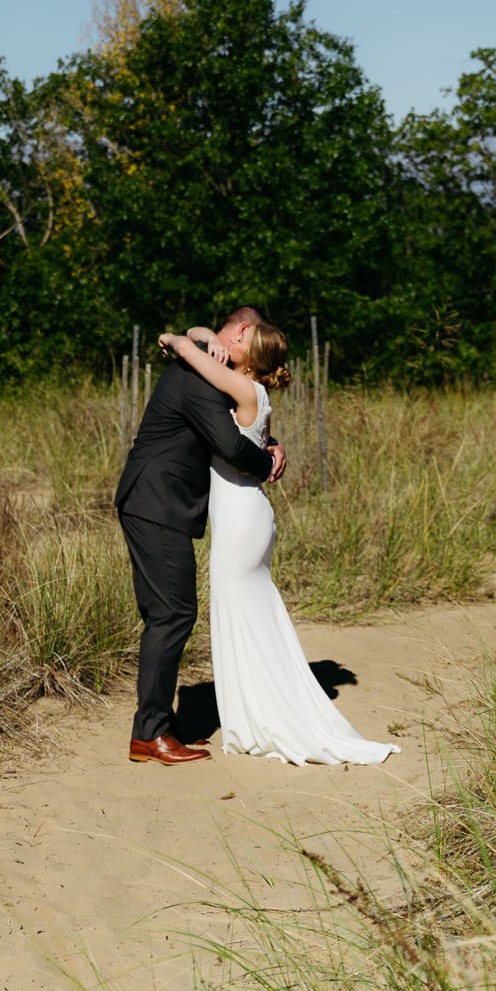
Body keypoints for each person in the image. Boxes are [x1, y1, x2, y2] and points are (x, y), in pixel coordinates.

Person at [159, 320, 399, 767]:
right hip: (243, 518)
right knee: (247, 619)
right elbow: (203, 335)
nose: (232, 340)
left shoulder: (247, 391)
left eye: (240, 340)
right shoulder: (249, 392)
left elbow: (190, 353)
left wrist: (176, 340)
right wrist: (206, 333)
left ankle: (260, 718)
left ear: (250, 358)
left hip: (241, 522)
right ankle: (251, 714)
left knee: (242, 618)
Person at [114, 307, 285, 765]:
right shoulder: (198, 376)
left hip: (157, 502)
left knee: (166, 614)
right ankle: (149, 733)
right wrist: (267, 461)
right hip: (157, 502)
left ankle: (159, 725)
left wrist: (267, 440)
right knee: (172, 614)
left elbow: (237, 424)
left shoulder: (208, 365)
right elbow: (228, 444)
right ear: (244, 332)